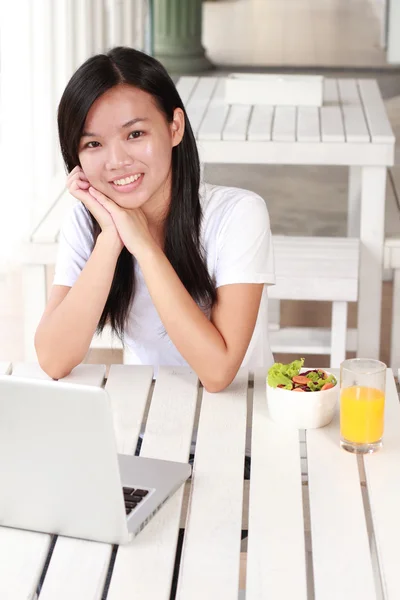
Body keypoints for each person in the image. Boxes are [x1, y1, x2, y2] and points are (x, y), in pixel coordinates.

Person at [34, 46, 275, 392]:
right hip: (148, 413)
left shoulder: (239, 215)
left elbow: (218, 372)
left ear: (175, 127)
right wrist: (111, 239)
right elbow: (53, 360)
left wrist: (144, 247)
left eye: (135, 134)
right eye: (93, 144)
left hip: (243, 416)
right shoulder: (86, 222)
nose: (116, 161)